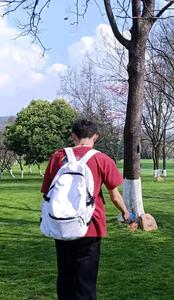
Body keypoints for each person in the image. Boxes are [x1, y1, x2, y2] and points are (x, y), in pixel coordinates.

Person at [41, 118, 130, 300]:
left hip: (62, 224)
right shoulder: (102, 159)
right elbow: (115, 195)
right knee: (86, 280)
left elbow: (47, 192)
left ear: (73, 136)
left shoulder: (58, 157)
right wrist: (125, 212)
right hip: (91, 226)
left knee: (65, 276)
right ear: (95, 137)